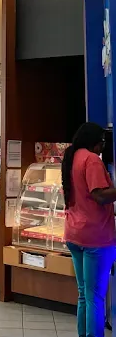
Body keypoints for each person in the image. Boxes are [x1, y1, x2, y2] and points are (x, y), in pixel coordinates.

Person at [62, 122, 116, 337]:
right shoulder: (92, 160)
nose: (103, 147)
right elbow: (99, 195)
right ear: (93, 142)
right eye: (102, 142)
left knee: (84, 295)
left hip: (74, 233)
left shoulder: (72, 156)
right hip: (96, 236)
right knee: (95, 297)